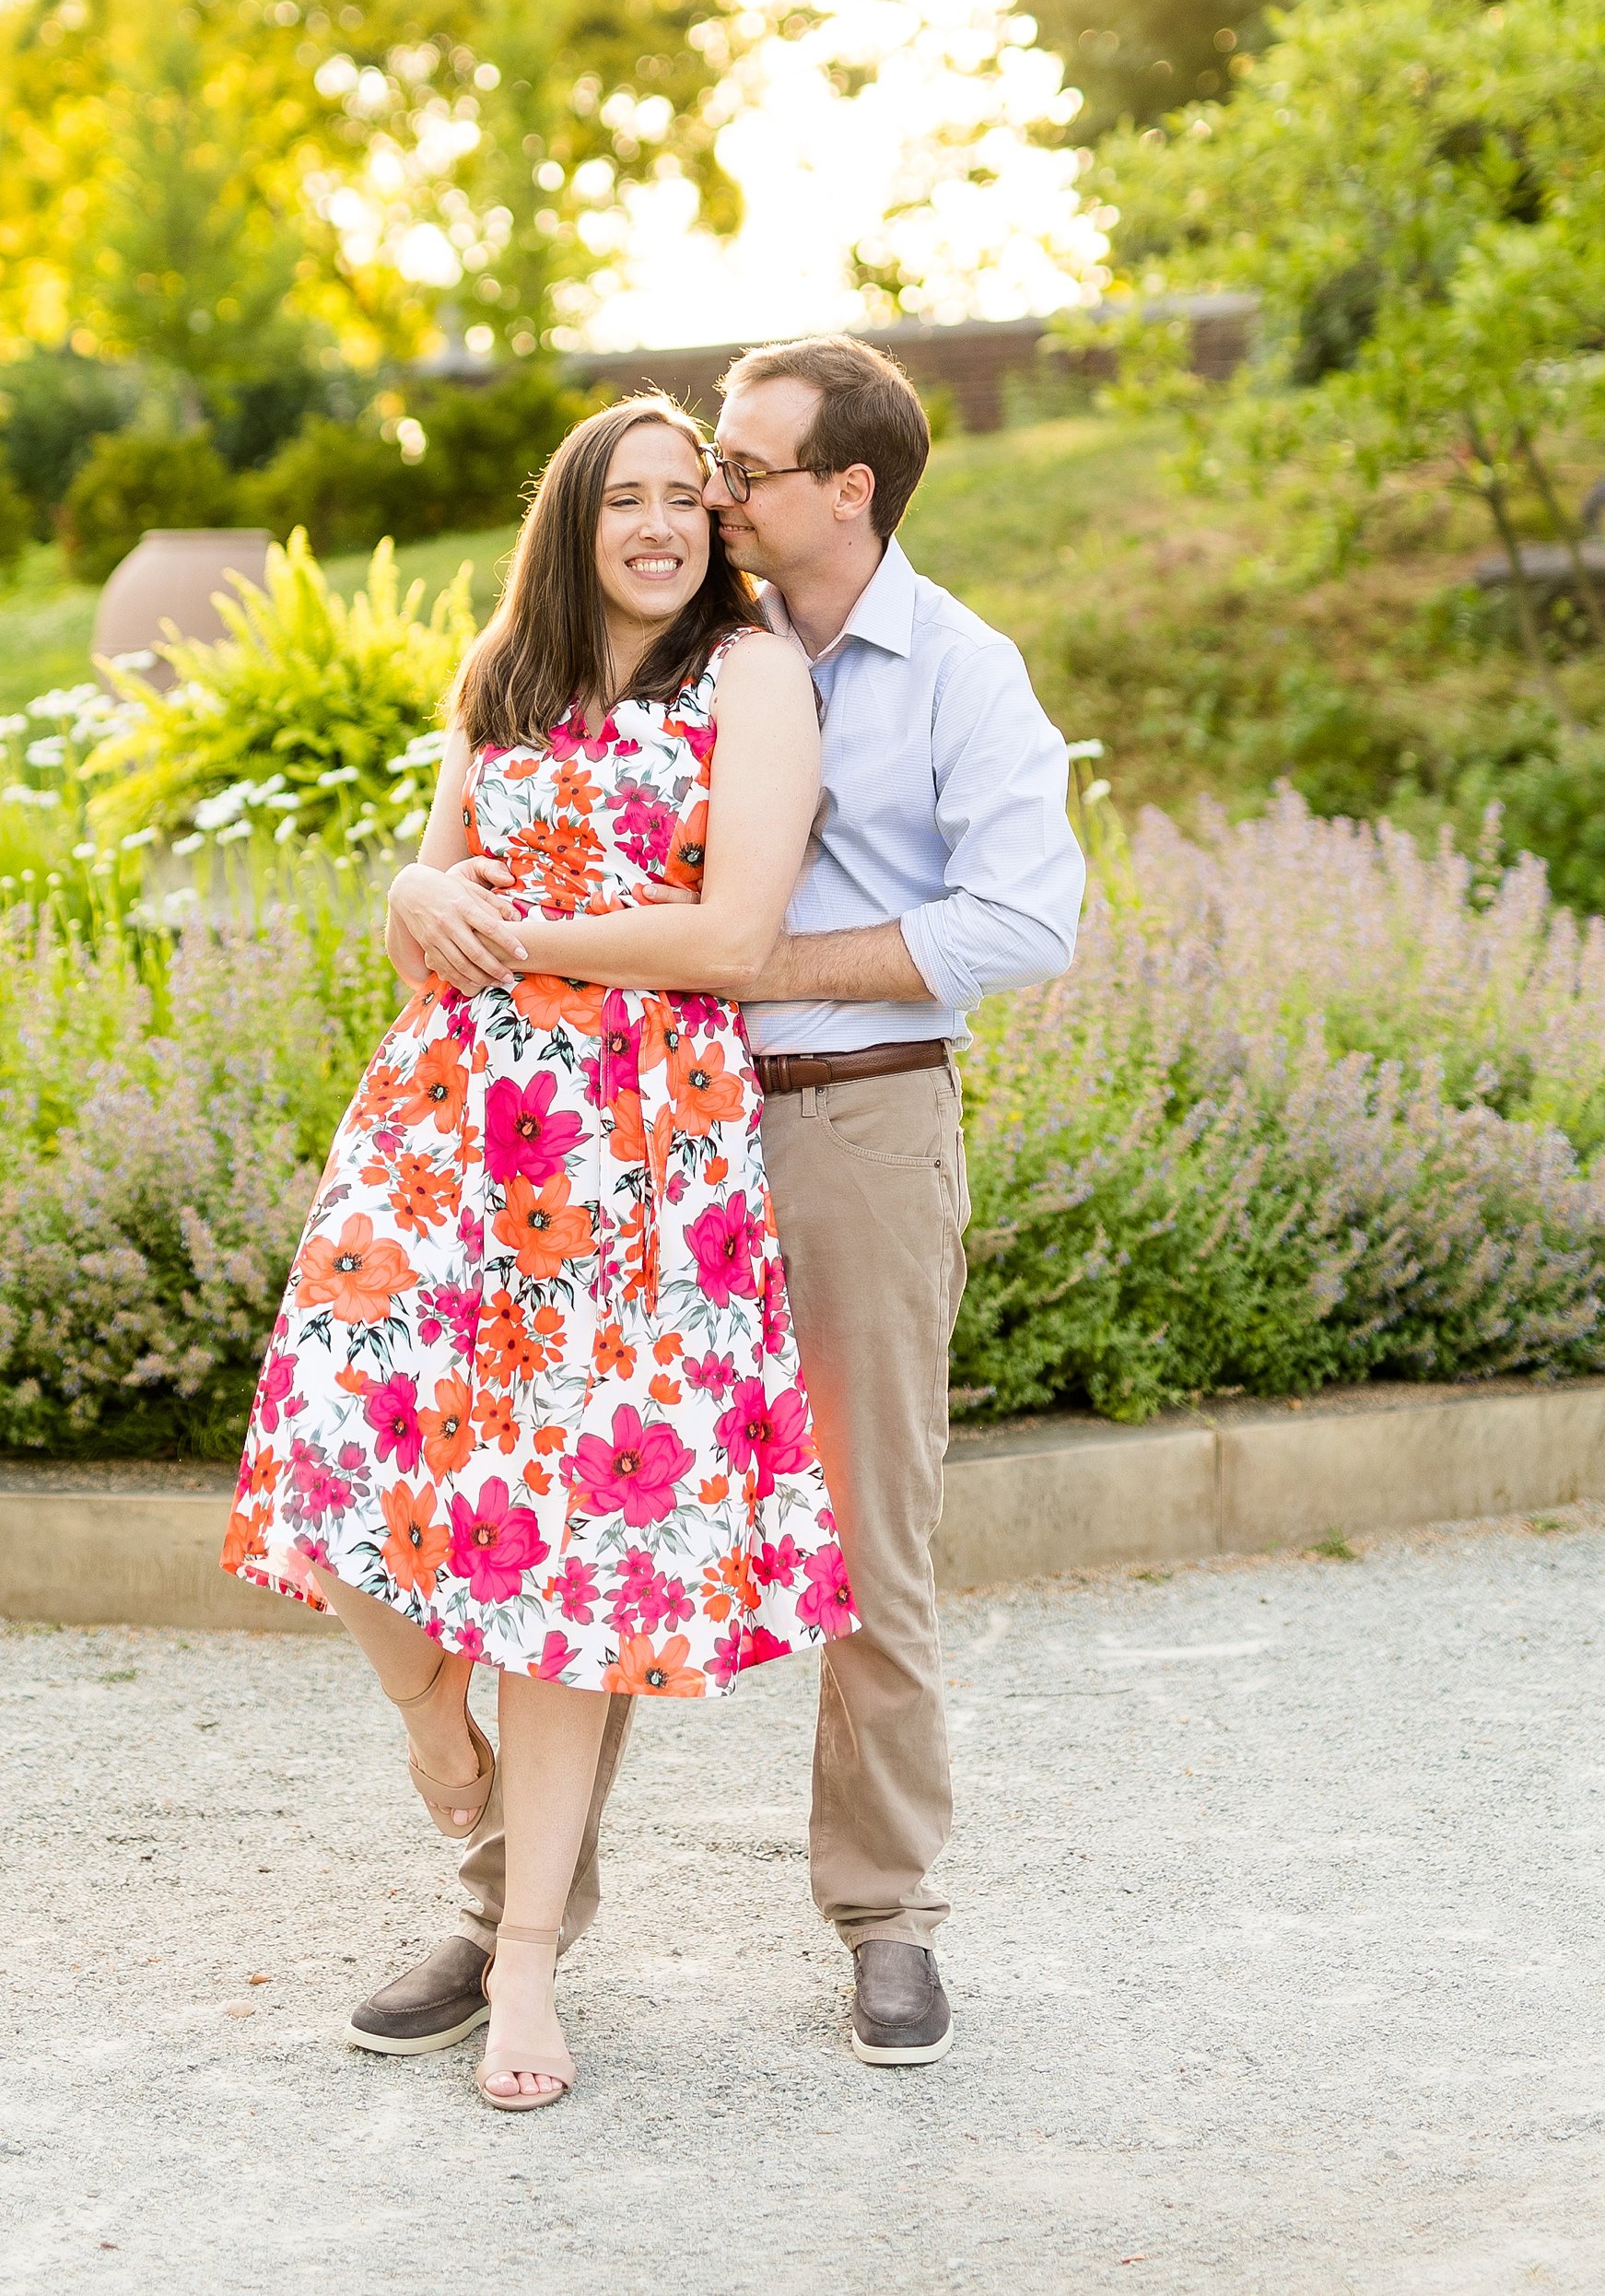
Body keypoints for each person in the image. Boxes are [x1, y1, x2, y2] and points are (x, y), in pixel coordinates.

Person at [369, 334, 1083, 2068]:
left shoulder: (959, 671)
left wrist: (755, 979)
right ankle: (510, 1915)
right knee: (567, 1503)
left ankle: (886, 1915)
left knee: (867, 1528)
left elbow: (1029, 920)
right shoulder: (675, 642)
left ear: (849, 488)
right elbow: (499, 825)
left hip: (845, 1117)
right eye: (697, 476)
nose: (716, 494)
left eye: (744, 471)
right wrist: (427, 883)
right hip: (622, 1136)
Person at [221, 392, 860, 2111]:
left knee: (566, 1552)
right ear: (572, 518)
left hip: (640, 1142)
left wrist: (504, 931)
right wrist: (410, 900)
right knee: (328, 1426)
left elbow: (734, 932)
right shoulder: (502, 674)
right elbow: (429, 890)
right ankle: (441, 1728)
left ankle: (521, 1974)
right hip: (447, 1121)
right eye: (623, 496)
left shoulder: (752, 675)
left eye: (682, 496)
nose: (656, 523)